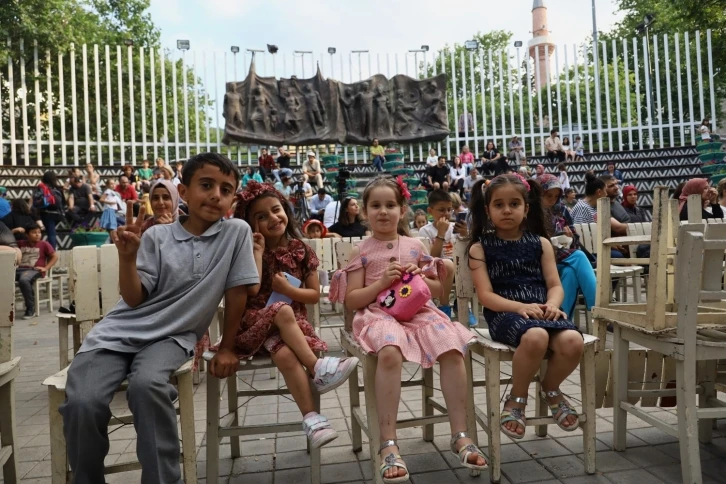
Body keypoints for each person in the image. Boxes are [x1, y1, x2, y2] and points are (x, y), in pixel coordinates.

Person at [58, 152, 260, 484]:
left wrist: (227, 347)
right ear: (185, 191)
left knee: (148, 386)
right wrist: (127, 259)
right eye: (206, 185)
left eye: (225, 190)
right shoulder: (156, 236)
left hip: (171, 338)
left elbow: (237, 292)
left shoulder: (236, 232)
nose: (216, 195)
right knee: (82, 401)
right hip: (115, 335)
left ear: (233, 199)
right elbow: (134, 298)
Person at [330, 176, 487, 482]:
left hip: (417, 312)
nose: (383, 211)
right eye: (376, 206)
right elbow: (353, 300)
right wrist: (381, 282)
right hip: (377, 315)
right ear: (365, 211)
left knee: (451, 346)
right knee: (389, 351)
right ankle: (388, 443)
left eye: (390, 205)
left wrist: (421, 278)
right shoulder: (361, 251)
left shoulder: (416, 245)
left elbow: (437, 292)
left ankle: (460, 434)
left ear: (402, 210)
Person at [227, 180, 359, 449]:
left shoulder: (301, 250)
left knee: (286, 355)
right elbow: (252, 290)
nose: (273, 218)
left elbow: (313, 295)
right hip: (256, 324)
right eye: (261, 217)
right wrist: (257, 253)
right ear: (250, 225)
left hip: (290, 330)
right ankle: (317, 368)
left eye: (276, 210)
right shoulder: (248, 251)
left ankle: (313, 420)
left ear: (285, 210)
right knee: (282, 309)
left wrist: (288, 290)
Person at [468, 173, 583, 439]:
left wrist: (553, 304)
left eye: (514, 204)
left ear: (526, 208)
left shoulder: (541, 244)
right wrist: (519, 307)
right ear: (488, 210)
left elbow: (554, 285)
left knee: (573, 341)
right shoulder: (480, 248)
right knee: (536, 336)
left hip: (541, 311)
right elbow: (486, 296)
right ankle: (517, 398)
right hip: (505, 314)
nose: (507, 210)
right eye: (499, 205)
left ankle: (551, 388)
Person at [539, 175, 596, 319]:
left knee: (570, 272)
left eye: (556, 196)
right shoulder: (533, 212)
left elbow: (575, 240)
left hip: (561, 257)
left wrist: (569, 238)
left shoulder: (562, 211)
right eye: (548, 195)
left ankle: (562, 320)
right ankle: (598, 308)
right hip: (541, 259)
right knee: (578, 256)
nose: (552, 200)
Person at [417, 190, 463, 321]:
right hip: (436, 270)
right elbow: (431, 257)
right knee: (447, 264)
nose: (446, 213)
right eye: (442, 210)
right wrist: (441, 233)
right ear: (430, 211)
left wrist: (465, 235)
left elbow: (464, 251)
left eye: (449, 209)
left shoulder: (455, 227)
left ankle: (460, 304)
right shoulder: (425, 230)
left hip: (458, 269)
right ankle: (444, 306)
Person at [16, 223, 58, 319]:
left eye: (39, 232)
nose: (37, 234)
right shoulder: (20, 243)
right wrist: (14, 230)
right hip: (19, 269)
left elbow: (55, 256)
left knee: (24, 280)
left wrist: (46, 268)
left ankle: (30, 308)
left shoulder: (44, 244)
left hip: (34, 270)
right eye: (34, 232)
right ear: (27, 234)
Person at [571, 174, 628, 238]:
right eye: (605, 191)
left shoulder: (595, 207)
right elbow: (580, 237)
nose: (606, 194)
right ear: (599, 192)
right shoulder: (582, 209)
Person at [34, 171, 65, 249]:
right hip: (58, 214)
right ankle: (51, 248)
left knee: (50, 233)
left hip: (46, 213)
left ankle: (51, 250)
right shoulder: (58, 189)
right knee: (51, 232)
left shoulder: (41, 187)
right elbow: (63, 202)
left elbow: (36, 201)